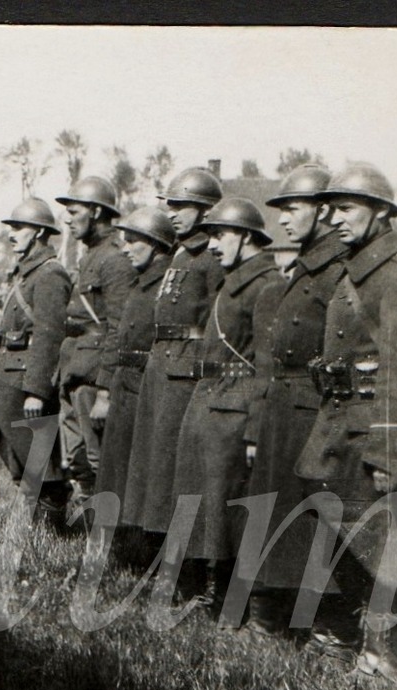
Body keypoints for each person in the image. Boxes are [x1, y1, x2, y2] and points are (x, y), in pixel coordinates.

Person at [295, 163, 397, 682]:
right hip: (338, 421)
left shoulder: (395, 274)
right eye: (330, 208)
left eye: (346, 207)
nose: (333, 217)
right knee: (340, 533)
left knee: (383, 544)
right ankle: (342, 638)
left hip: (370, 429)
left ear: (382, 211)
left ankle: (384, 655)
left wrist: (387, 451)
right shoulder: (354, 266)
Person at [240, 165, 347, 639]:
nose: (282, 220)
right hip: (282, 408)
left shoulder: (338, 270)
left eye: (293, 209)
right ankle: (268, 617)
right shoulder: (302, 267)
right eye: (280, 210)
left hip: (313, 408)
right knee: (274, 514)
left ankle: (325, 627)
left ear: (322, 209)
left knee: (310, 519)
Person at [167, 197, 284, 617]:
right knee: (204, 506)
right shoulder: (232, 281)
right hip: (212, 403)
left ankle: (234, 602)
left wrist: (254, 429)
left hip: (236, 411)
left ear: (246, 235)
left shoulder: (267, 285)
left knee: (227, 510)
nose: (213, 244)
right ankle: (209, 593)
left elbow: (267, 366)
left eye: (220, 234)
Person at [121, 167, 225, 565]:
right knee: (153, 466)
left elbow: (217, 323)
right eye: (172, 205)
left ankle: (186, 564)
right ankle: (158, 552)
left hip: (187, 369)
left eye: (183, 206)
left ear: (206, 210)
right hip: (161, 366)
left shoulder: (211, 257)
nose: (174, 213)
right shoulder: (180, 252)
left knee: (174, 468)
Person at [0, 197, 73, 525]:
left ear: (37, 232)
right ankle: (39, 528)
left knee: (42, 465)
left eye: (18, 228)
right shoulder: (26, 273)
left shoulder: (50, 274)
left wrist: (37, 390)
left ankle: (51, 531)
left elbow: (50, 336)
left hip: (25, 383)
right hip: (8, 377)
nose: (11, 234)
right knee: (24, 460)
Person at [54, 175, 135, 515]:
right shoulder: (91, 256)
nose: (67, 219)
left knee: (99, 459)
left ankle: (112, 539)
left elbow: (120, 327)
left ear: (97, 212)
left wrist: (106, 390)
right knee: (77, 460)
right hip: (76, 371)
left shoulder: (114, 260)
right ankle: (91, 529)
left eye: (74, 212)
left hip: (95, 375)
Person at [94, 207, 176, 528]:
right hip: (126, 385)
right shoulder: (141, 283)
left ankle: (143, 546)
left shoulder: (164, 287)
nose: (125, 248)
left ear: (155, 244)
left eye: (133, 241)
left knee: (143, 472)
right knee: (121, 468)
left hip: (147, 386)